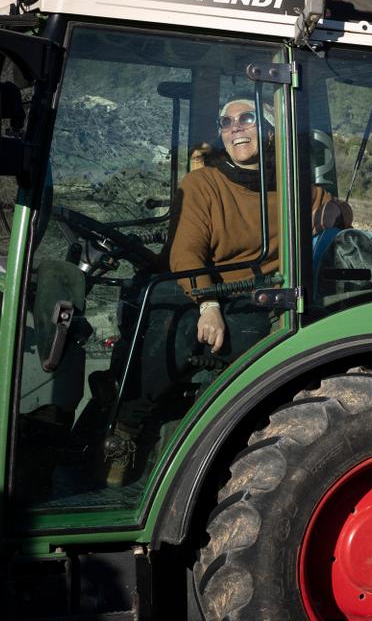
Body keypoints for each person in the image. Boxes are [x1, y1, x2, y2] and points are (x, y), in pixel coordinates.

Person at [107, 96, 341, 485]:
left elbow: (333, 210)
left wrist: (335, 215)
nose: (235, 128)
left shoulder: (291, 184)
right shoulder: (203, 183)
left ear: (267, 131)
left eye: (246, 118)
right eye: (226, 122)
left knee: (253, 343)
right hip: (196, 287)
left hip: (254, 296)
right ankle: (126, 429)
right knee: (169, 326)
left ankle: (232, 453)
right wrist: (207, 303)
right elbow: (187, 252)